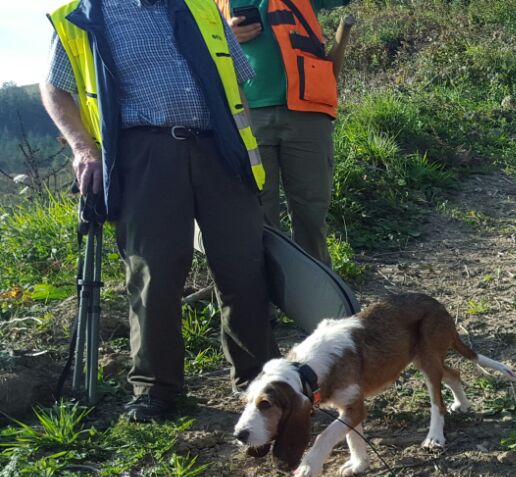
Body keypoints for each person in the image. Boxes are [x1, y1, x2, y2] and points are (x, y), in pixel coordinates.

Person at [41, 0, 277, 423]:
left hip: (219, 149)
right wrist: (82, 148)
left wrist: (245, 145)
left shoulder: (202, 9)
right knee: (154, 272)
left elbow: (235, 83)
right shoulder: (85, 14)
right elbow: (54, 87)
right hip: (143, 152)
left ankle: (260, 379)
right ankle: (155, 389)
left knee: (243, 265)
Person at [218, 0, 342, 264]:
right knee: (259, 215)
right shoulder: (214, 3)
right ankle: (265, 295)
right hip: (246, 115)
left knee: (311, 212)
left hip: (307, 112)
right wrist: (226, 34)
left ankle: (316, 294)